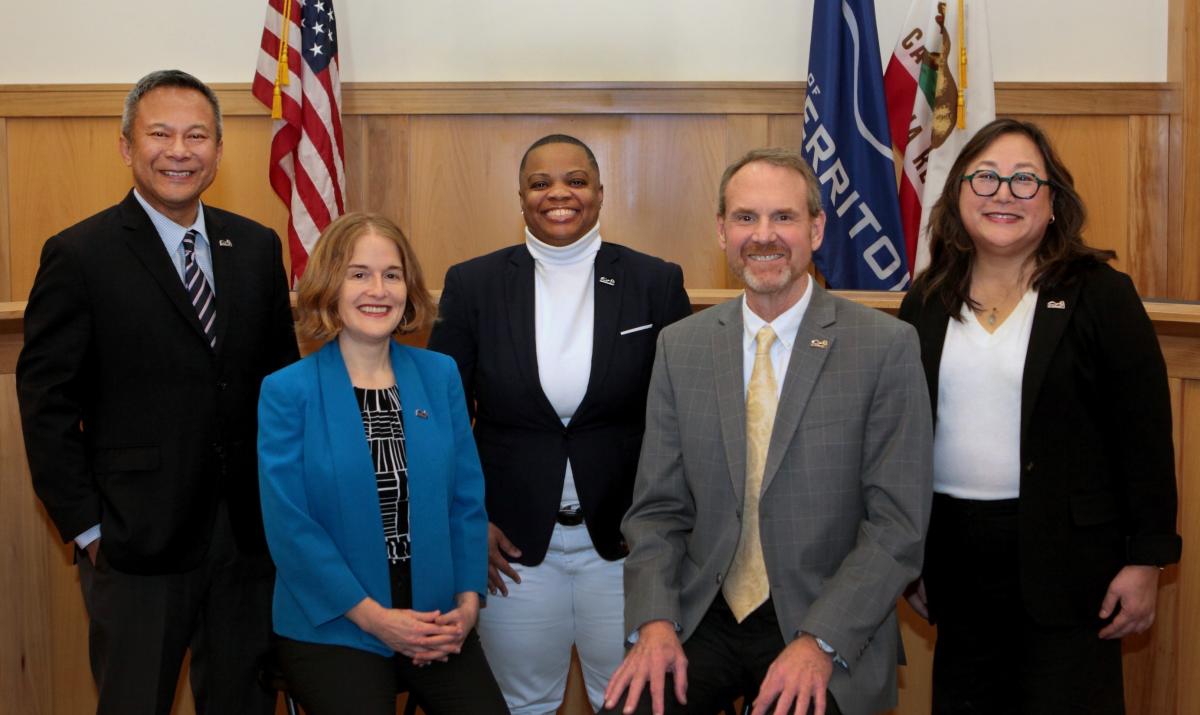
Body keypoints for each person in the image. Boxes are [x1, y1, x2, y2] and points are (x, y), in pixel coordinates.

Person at [603, 147, 933, 715]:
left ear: (816, 229)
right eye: (745, 217)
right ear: (721, 231)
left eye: (783, 216)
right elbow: (656, 510)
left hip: (822, 614)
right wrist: (654, 621)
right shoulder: (681, 346)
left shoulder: (885, 346)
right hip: (702, 612)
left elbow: (897, 527)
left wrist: (819, 643)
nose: (763, 235)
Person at [15, 69, 299, 714]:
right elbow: (46, 404)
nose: (179, 151)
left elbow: (280, 389)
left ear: (219, 151)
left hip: (247, 539)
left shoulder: (256, 247)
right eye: (160, 134)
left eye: (197, 136)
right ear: (126, 146)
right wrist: (88, 529)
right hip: (133, 541)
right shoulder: (79, 254)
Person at [897, 118, 1182, 714]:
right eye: (985, 178)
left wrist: (1146, 559)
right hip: (956, 562)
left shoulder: (1100, 294)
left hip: (1072, 569)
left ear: (1054, 203)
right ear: (958, 196)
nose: (1003, 193)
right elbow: (901, 437)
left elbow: (1145, 436)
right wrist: (910, 560)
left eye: (1025, 180)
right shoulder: (926, 299)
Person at [426, 133, 693, 714]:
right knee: (520, 704)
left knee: (632, 702)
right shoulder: (473, 284)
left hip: (627, 546)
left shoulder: (655, 281)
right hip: (510, 550)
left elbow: (682, 420)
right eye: (540, 183)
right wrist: (468, 522)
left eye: (575, 180)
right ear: (520, 197)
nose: (559, 194)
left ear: (600, 191)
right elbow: (441, 421)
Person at [256, 212, 509, 714]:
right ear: (330, 285)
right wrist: (376, 619)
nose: (378, 290)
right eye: (359, 274)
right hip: (334, 624)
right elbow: (291, 529)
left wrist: (468, 604)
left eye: (391, 275)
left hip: (436, 619)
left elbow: (465, 502)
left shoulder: (439, 375)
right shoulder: (287, 391)